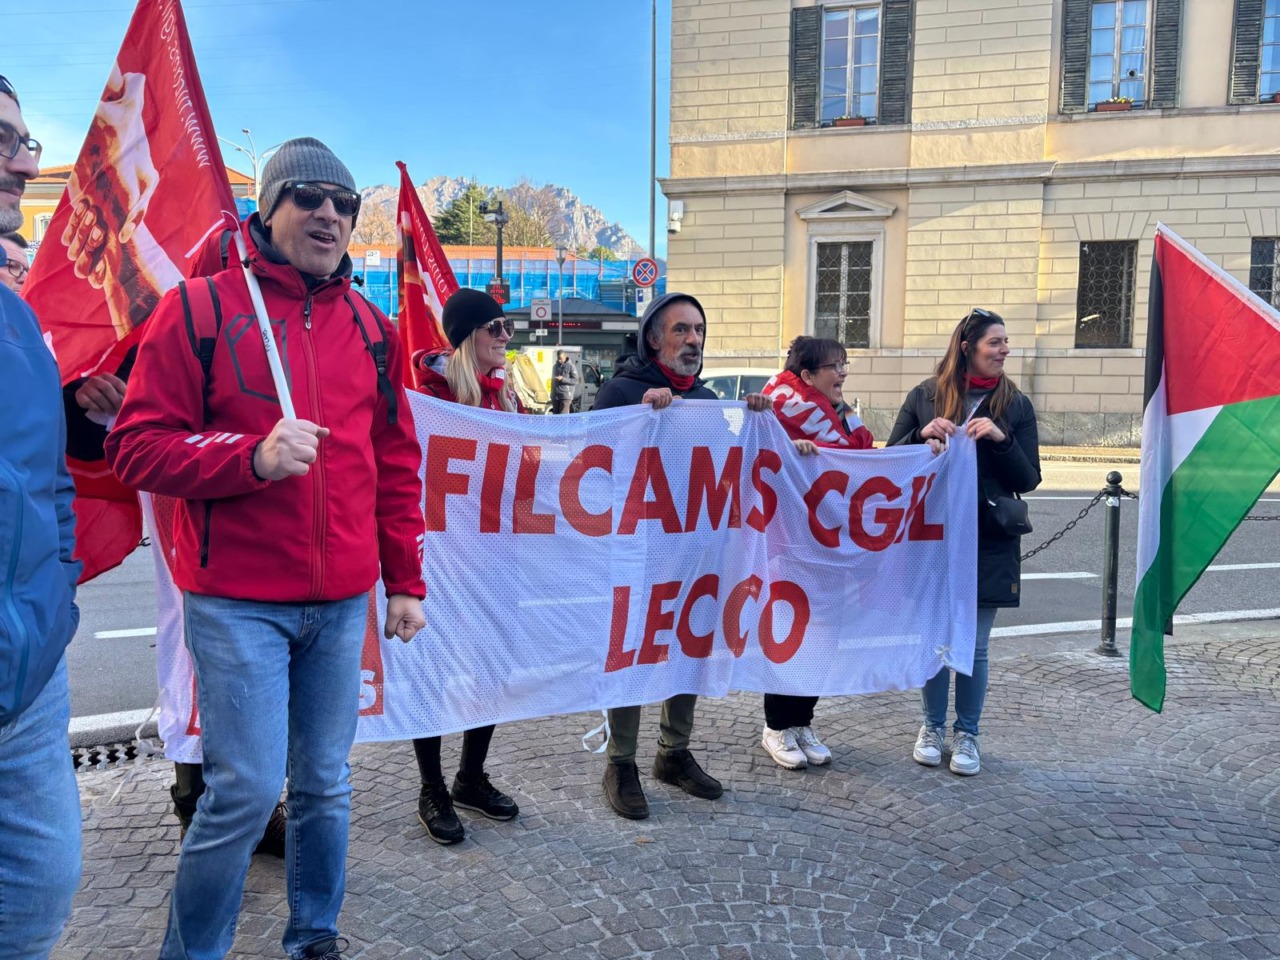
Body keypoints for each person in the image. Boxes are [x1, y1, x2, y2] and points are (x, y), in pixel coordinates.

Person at [106, 138, 426, 960]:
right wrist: (249, 458)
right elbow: (135, 448)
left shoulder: (373, 329)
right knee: (245, 794)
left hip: (341, 602)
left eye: (345, 203)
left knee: (326, 785)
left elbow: (394, 464)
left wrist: (405, 581)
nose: (329, 213)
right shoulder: (198, 309)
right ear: (268, 209)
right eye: (308, 196)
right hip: (236, 602)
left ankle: (314, 935)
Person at [591, 291, 769, 820]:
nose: (694, 340)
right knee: (632, 647)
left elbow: (728, 466)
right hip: (635, 551)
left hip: (692, 552)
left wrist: (751, 421)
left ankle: (673, 751)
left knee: (687, 641)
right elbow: (594, 465)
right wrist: (641, 419)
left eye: (699, 331)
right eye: (681, 330)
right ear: (653, 339)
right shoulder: (622, 392)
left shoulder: (709, 399)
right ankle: (620, 761)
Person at [0, 72, 84, 960]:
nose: (26, 164)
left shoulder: (19, 327)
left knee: (41, 891)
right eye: (4, 142)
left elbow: (50, 481)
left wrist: (55, 596)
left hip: (28, 677)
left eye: (23, 142)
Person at [887, 308, 1041, 777]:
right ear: (967, 347)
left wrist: (1001, 439)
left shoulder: (1015, 404)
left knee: (974, 646)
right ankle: (931, 727)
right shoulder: (925, 395)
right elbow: (890, 462)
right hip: (932, 537)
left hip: (987, 539)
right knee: (935, 640)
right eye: (996, 342)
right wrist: (921, 436)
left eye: (1005, 342)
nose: (1005, 350)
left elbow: (1029, 478)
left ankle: (967, 733)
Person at [408, 287, 522, 845]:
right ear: (465, 338)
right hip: (442, 560)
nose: (506, 337)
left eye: (507, 327)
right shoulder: (427, 399)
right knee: (431, 671)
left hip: (495, 557)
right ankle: (431, 787)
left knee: (491, 666)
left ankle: (470, 776)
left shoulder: (506, 398)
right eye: (494, 328)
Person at [757, 336, 874, 770]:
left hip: (832, 542)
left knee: (823, 637)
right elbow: (755, 458)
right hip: (791, 544)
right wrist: (792, 453)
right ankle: (777, 726)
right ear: (807, 376)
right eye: (833, 366)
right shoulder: (779, 410)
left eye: (844, 364)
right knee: (791, 634)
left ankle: (802, 721)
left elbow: (865, 462)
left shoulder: (844, 416)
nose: (842, 373)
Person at [551, 349, 577, 414]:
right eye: (558, 358)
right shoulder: (555, 366)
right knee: (555, 417)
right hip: (555, 396)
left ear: (565, 356)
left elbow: (575, 380)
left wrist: (563, 379)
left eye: (561, 358)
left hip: (565, 396)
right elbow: (552, 381)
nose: (559, 360)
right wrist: (552, 393)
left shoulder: (571, 366)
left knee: (562, 416)